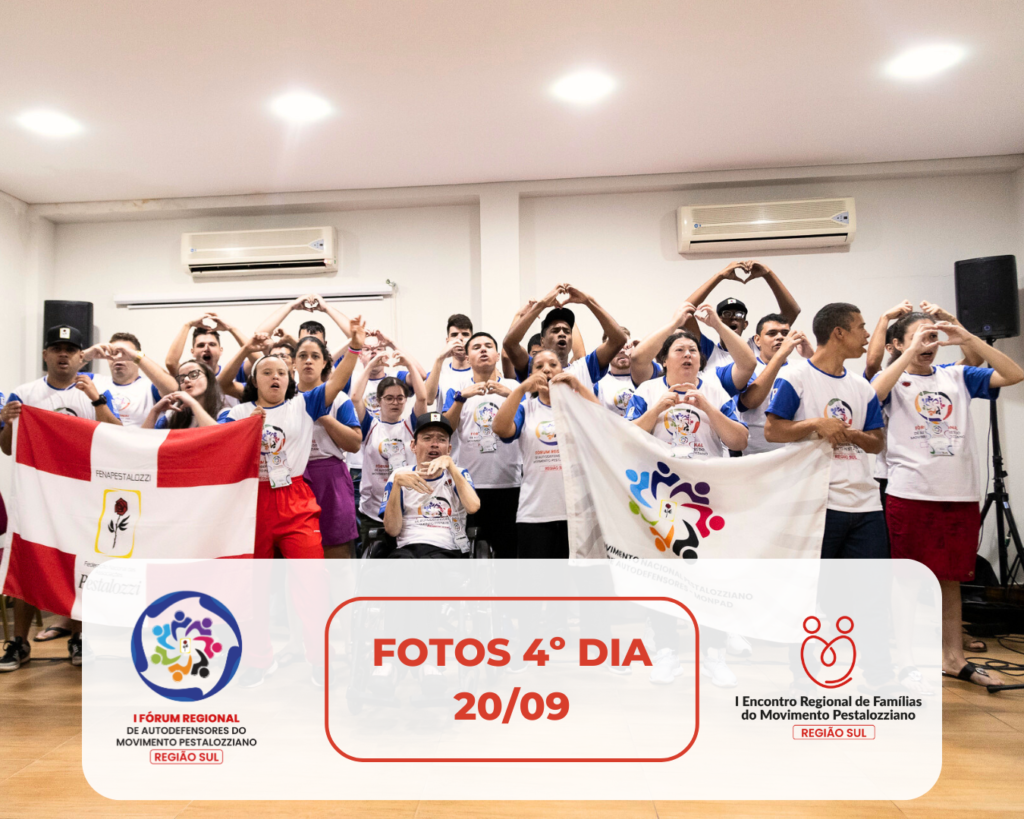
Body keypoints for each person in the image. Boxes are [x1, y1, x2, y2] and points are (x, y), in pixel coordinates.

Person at [871, 312, 1023, 688]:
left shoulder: (956, 375)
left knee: (951, 580)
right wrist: (910, 353)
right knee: (907, 580)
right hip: (911, 492)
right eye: (920, 337)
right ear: (896, 344)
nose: (929, 345)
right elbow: (872, 394)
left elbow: (1014, 374)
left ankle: (954, 659)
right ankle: (905, 662)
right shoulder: (894, 378)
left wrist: (965, 335)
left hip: (959, 494)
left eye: (933, 338)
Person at [0, 325, 121, 673]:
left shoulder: (93, 391)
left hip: (82, 495)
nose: (63, 354)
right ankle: (19, 642)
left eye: (71, 349)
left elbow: (116, 438)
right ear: (45, 355)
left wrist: (96, 399)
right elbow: (8, 448)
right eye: (56, 348)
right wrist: (8, 423)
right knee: (28, 562)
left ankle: (80, 637)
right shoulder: (24, 393)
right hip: (36, 493)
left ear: (82, 356)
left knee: (82, 566)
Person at [765, 302, 886, 556]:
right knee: (817, 587)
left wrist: (852, 435)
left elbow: (877, 442)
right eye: (862, 327)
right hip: (817, 501)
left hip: (866, 504)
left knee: (868, 588)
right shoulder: (795, 377)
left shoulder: (862, 387)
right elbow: (772, 431)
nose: (867, 334)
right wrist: (817, 423)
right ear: (839, 332)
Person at [492, 351, 602, 559]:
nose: (547, 370)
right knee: (539, 588)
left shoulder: (578, 407)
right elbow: (500, 428)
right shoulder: (525, 408)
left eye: (553, 365)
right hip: (535, 513)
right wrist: (522, 387)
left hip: (578, 514)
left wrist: (576, 384)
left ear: (562, 371)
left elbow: (602, 424)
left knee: (582, 586)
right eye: (539, 366)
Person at [442, 332, 521, 559]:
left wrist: (512, 394)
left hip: (510, 482)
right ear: (467, 357)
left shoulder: (514, 386)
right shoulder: (457, 389)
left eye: (488, 346)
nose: (483, 350)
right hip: (471, 485)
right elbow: (448, 428)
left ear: (497, 355)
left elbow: (530, 418)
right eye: (476, 347)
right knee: (472, 552)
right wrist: (460, 398)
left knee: (508, 552)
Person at [295, 335, 361, 559]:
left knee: (336, 550)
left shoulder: (340, 399)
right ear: (293, 363)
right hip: (294, 478)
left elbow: (354, 444)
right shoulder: (284, 399)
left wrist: (322, 416)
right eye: (302, 356)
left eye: (315, 356)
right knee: (298, 552)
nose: (308, 361)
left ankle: (343, 595)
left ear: (325, 363)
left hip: (331, 477)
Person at [353, 360, 429, 554]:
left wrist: (409, 363)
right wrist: (369, 366)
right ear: (378, 401)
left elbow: (422, 398)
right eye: (389, 398)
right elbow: (355, 398)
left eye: (400, 398)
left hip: (407, 508)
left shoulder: (411, 425)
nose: (395, 402)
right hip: (373, 511)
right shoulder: (370, 425)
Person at [381, 413, 480, 558]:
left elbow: (473, 507)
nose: (435, 444)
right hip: (407, 548)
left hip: (447, 548)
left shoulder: (458, 473)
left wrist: (451, 466)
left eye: (441, 439)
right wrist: (396, 485)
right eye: (427, 438)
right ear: (413, 446)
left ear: (449, 448)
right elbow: (392, 530)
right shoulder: (399, 476)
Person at [683, 260, 801, 370]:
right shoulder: (708, 350)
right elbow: (684, 311)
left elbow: (791, 312)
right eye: (727, 313)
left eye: (739, 314)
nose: (733, 317)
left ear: (745, 324)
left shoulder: (756, 346)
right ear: (717, 320)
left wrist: (768, 274)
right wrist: (719, 276)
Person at [503, 283, 627, 388]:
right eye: (555, 330)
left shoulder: (586, 367)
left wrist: (589, 301)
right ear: (542, 341)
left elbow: (619, 339)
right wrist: (541, 304)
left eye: (567, 331)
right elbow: (510, 344)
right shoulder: (533, 367)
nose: (562, 334)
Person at [734, 314, 814, 454]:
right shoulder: (747, 367)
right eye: (772, 333)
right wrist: (780, 356)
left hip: (795, 453)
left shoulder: (801, 367)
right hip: (755, 454)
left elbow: (826, 387)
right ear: (757, 340)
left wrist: (811, 357)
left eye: (785, 333)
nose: (780, 337)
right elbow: (750, 402)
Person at [86, 333, 178, 427]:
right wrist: (86, 355)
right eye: (113, 353)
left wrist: (137, 356)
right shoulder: (94, 381)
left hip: (142, 439)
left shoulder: (149, 385)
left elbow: (172, 389)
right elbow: (70, 374)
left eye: (125, 354)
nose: (119, 358)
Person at [142, 360, 223, 429]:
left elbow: (218, 436)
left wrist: (193, 403)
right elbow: (141, 441)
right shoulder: (172, 416)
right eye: (182, 378)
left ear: (209, 379)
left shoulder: (224, 413)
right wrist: (155, 412)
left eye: (194, 375)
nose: (186, 380)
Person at [423, 313, 475, 408]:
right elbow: (427, 400)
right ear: (447, 341)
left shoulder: (482, 370)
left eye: (465, 334)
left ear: (472, 340)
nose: (459, 338)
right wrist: (439, 359)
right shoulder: (438, 371)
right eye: (454, 335)